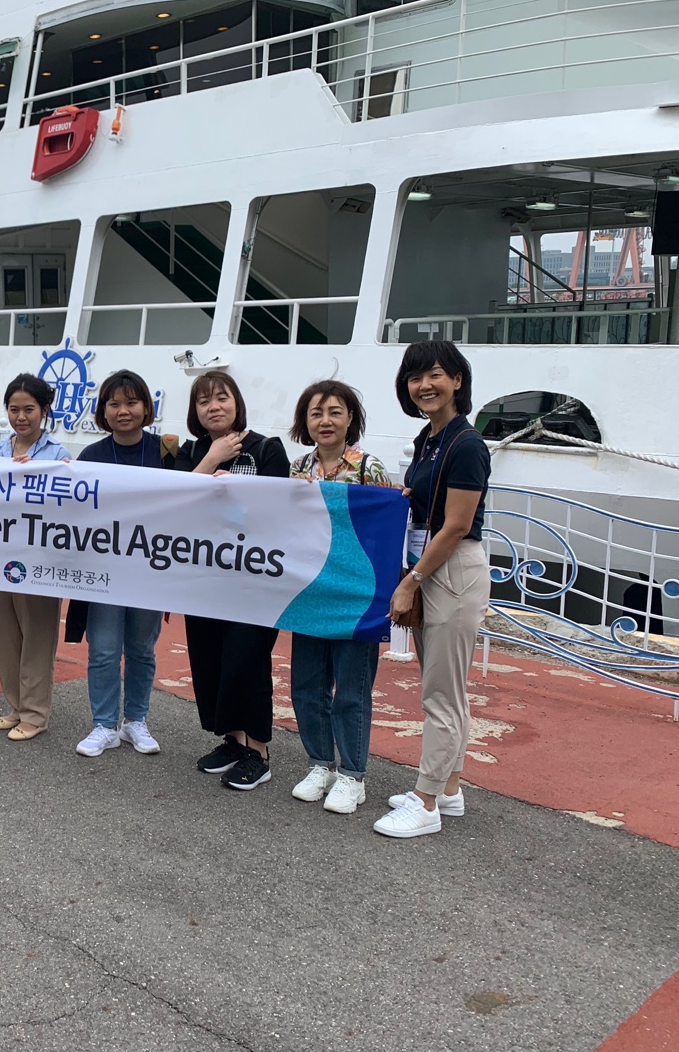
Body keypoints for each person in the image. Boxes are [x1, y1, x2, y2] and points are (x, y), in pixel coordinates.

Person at [375, 341, 491, 839]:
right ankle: (449, 789)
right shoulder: (430, 438)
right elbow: (432, 506)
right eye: (415, 377)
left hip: (450, 568)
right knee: (446, 688)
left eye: (436, 375)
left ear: (457, 381)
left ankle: (425, 803)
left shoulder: (466, 445)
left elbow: (457, 525)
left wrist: (411, 581)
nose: (424, 385)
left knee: (440, 695)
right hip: (434, 564)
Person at [174, 371, 290, 792]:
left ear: (237, 402)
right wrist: (212, 459)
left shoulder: (267, 449)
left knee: (248, 659)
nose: (214, 406)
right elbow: (175, 501)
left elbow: (275, 508)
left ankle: (259, 751)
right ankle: (234, 740)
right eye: (204, 401)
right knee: (211, 660)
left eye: (221, 397)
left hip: (253, 577)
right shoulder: (190, 452)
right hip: (203, 576)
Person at [286, 379, 396, 814]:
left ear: (351, 418)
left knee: (352, 688)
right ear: (305, 421)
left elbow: (387, 534)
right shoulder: (297, 468)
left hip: (356, 595)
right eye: (316, 413)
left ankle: (353, 774)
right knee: (307, 685)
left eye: (335, 412)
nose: (325, 420)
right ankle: (320, 765)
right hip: (310, 592)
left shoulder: (370, 468)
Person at [72, 369, 178, 758]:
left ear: (147, 407)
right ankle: (104, 725)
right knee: (102, 648)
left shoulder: (168, 450)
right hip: (103, 569)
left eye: (132, 402)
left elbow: (190, 497)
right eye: (114, 404)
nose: (123, 411)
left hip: (151, 567)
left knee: (141, 648)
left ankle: (135, 720)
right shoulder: (91, 456)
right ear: (103, 411)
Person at [0, 374, 70, 742]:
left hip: (39, 557)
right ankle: (16, 707)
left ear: (44, 411)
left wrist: (33, 475)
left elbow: (68, 503)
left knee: (37, 634)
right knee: (4, 632)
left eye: (29, 409)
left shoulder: (59, 455)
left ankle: (36, 714)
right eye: (14, 409)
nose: (21, 417)